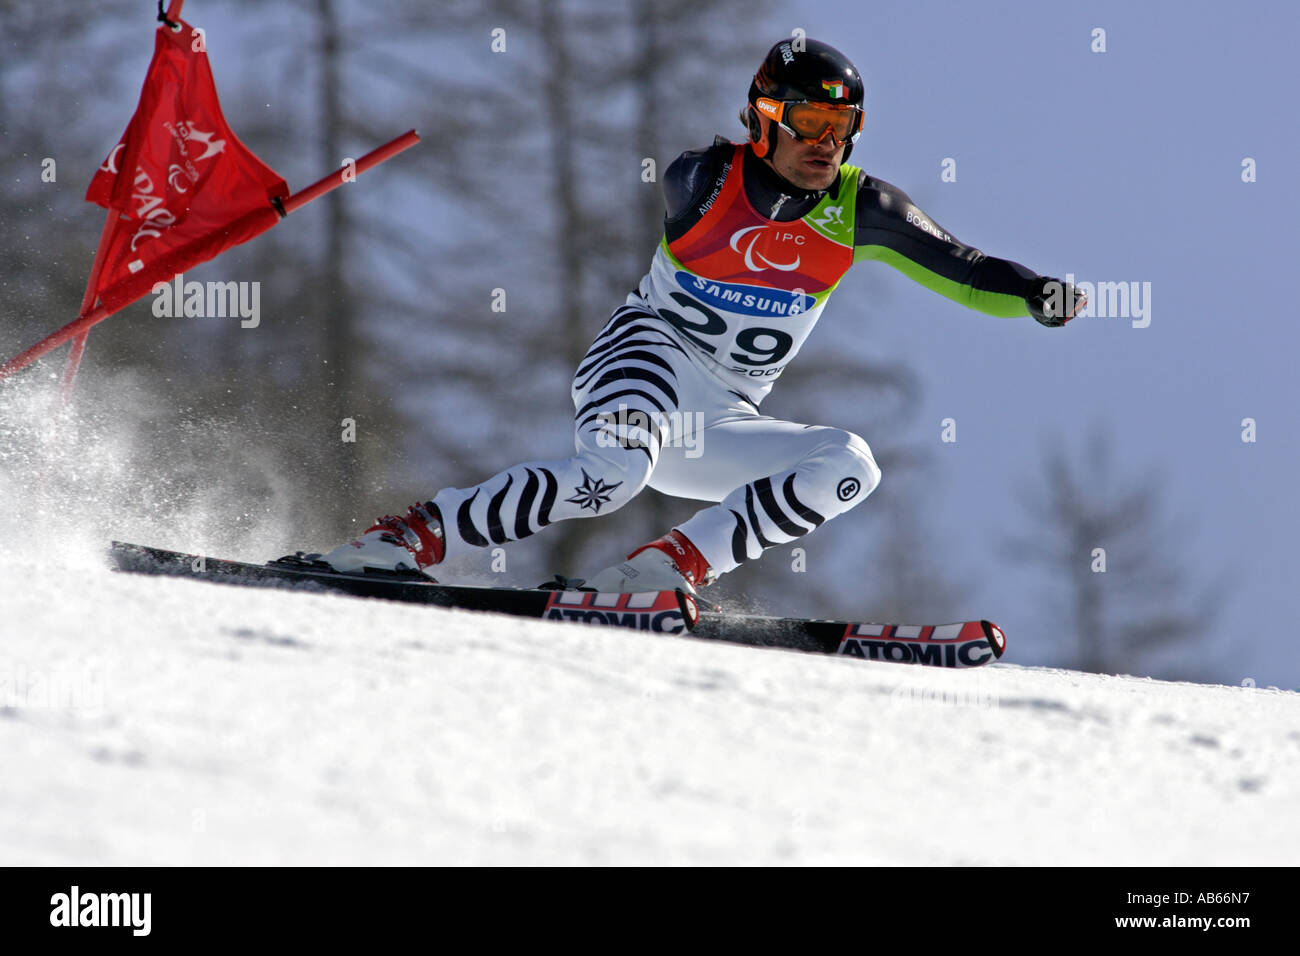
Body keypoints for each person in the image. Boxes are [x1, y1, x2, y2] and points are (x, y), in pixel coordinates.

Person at [317, 37, 1085, 594]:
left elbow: (967, 268)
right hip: (644, 360)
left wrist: (1036, 294)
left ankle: (664, 569)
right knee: (613, 475)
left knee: (850, 464)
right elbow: (732, 192)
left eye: (841, 128)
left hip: (720, 417)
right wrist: (771, 189)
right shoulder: (706, 178)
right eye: (810, 124)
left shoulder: (863, 207)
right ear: (765, 119)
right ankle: (407, 539)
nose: (827, 144)